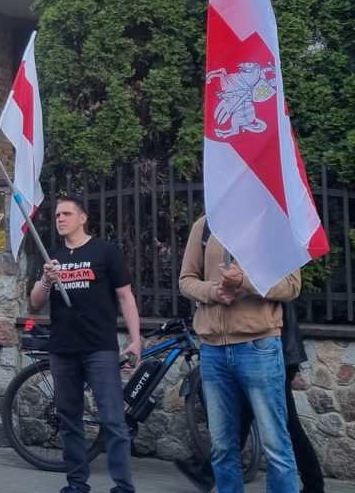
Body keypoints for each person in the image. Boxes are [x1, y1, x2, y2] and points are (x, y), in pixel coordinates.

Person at [179, 216, 302, 493]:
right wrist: (214, 291)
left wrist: (245, 282)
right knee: (222, 446)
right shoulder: (205, 224)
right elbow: (186, 280)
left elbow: (292, 285)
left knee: (275, 446)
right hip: (213, 349)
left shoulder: (272, 222)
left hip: (259, 346)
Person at [28, 193, 140, 493]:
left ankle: (123, 487)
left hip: (99, 347)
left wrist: (136, 339)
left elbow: (125, 296)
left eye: (66, 214)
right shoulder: (52, 256)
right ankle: (77, 484)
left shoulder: (105, 252)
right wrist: (47, 280)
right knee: (69, 419)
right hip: (63, 349)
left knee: (113, 419)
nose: (60, 219)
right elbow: (35, 302)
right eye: (57, 215)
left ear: (82, 218)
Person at [174, 297, 324, 493]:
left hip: (273, 355)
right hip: (271, 354)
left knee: (284, 427)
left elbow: (280, 316)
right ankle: (207, 472)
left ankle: (314, 485)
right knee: (244, 423)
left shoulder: (270, 289)